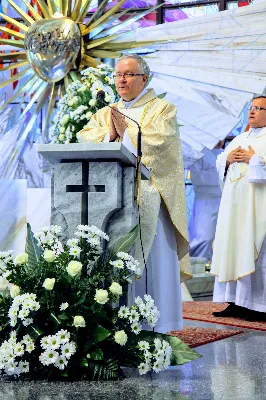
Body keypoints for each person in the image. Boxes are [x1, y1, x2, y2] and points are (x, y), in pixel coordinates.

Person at [77, 54, 191, 333]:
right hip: (111, 199)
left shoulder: (162, 108)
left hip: (150, 199)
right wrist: (112, 136)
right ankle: (116, 326)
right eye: (117, 75)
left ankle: (155, 325)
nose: (122, 80)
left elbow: (163, 145)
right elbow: (85, 136)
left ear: (144, 78)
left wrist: (127, 132)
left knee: (152, 262)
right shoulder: (107, 112)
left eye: (128, 74)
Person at [210, 95, 266, 320]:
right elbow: (220, 162)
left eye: (259, 108)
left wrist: (255, 159)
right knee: (231, 248)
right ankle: (234, 302)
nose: (252, 112)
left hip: (256, 206)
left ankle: (258, 305)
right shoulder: (239, 138)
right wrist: (227, 159)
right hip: (233, 206)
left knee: (256, 252)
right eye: (251, 108)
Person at [189, 146, 222, 260]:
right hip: (205, 200)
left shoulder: (225, 152)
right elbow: (197, 177)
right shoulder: (199, 153)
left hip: (223, 199)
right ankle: (195, 266)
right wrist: (220, 174)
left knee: (221, 238)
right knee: (204, 237)